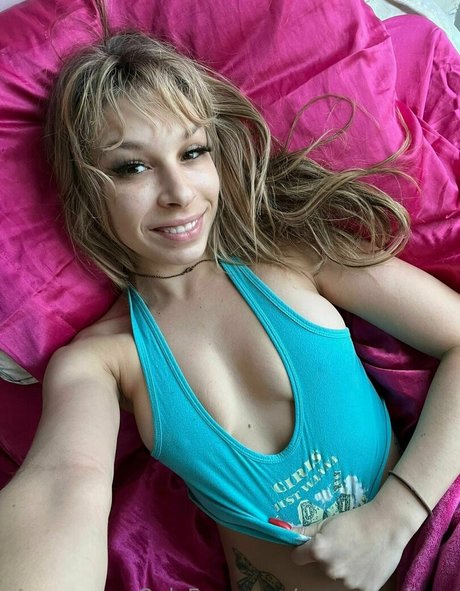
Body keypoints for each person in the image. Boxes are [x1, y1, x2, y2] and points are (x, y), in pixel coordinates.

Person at [0, 30, 459, 591]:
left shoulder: (295, 258)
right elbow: (61, 485)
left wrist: (397, 515)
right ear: (87, 190)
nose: (179, 193)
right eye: (132, 168)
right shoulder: (100, 362)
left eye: (192, 153)